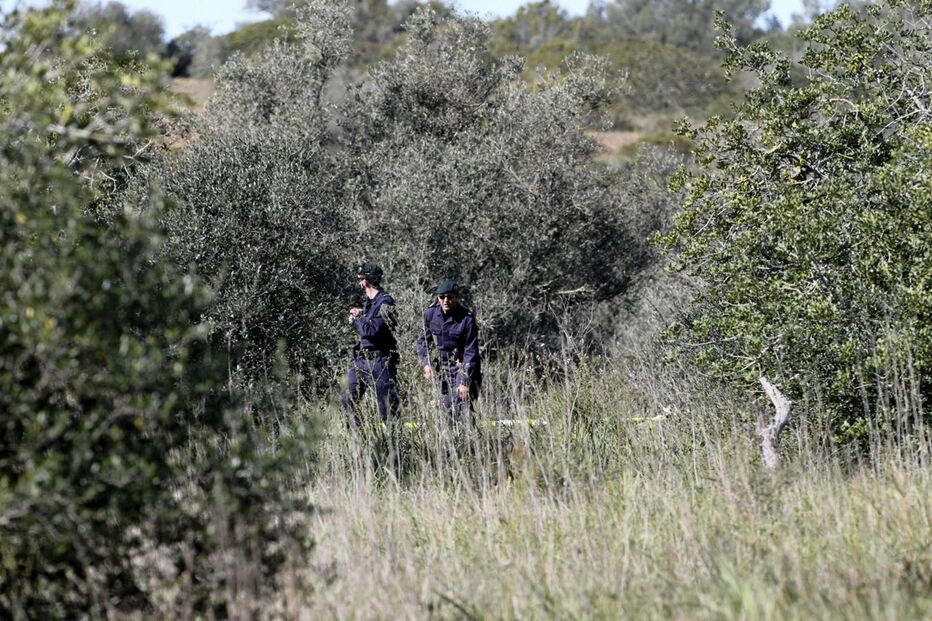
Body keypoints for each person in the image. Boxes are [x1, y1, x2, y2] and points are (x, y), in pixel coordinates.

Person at [340, 262, 399, 424]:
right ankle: (359, 441)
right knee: (347, 398)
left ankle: (392, 445)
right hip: (361, 361)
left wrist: (355, 321)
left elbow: (371, 331)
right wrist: (362, 313)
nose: (359, 283)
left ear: (365, 281)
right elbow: (370, 320)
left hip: (381, 362)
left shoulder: (386, 302)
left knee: (387, 410)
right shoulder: (369, 302)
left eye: (360, 279)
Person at [415, 279, 481, 421]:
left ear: (457, 298)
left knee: (463, 408)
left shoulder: (467, 319)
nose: (445, 301)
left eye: (450, 297)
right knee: (444, 409)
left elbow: (471, 352)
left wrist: (464, 380)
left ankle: (469, 440)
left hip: (461, 366)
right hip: (442, 369)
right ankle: (450, 441)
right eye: (442, 297)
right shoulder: (430, 314)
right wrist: (427, 364)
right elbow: (423, 342)